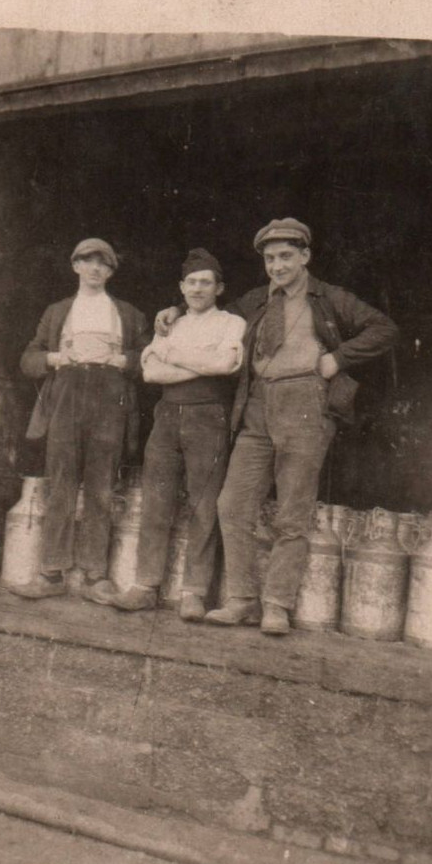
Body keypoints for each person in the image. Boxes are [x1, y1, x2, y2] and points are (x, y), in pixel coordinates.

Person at [155, 217, 399, 635]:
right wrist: (177, 308)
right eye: (270, 258)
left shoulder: (330, 297)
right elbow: (209, 308)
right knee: (232, 504)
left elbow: (384, 329)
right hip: (256, 406)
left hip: (305, 403)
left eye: (286, 256)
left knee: (293, 512)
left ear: (305, 256)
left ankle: (277, 606)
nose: (277, 265)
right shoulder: (254, 300)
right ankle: (242, 600)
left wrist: (337, 359)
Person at [111, 248, 246, 621]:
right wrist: (195, 361)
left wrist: (174, 355)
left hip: (208, 416)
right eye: (191, 282)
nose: (198, 289)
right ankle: (145, 585)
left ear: (219, 288)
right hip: (167, 415)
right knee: (156, 500)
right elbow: (151, 373)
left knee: (205, 505)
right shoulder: (170, 324)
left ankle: (194, 592)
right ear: (181, 288)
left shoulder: (231, 323)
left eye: (206, 282)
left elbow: (225, 364)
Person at [14, 237, 149, 603]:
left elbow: (148, 359)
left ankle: (95, 576)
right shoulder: (58, 312)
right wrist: (57, 358)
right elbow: (29, 359)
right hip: (67, 397)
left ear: (111, 271)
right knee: (60, 485)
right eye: (87, 261)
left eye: (103, 264)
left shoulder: (129, 314)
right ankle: (51, 573)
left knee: (101, 488)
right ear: (75, 266)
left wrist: (125, 361)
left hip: (109, 399)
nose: (95, 269)